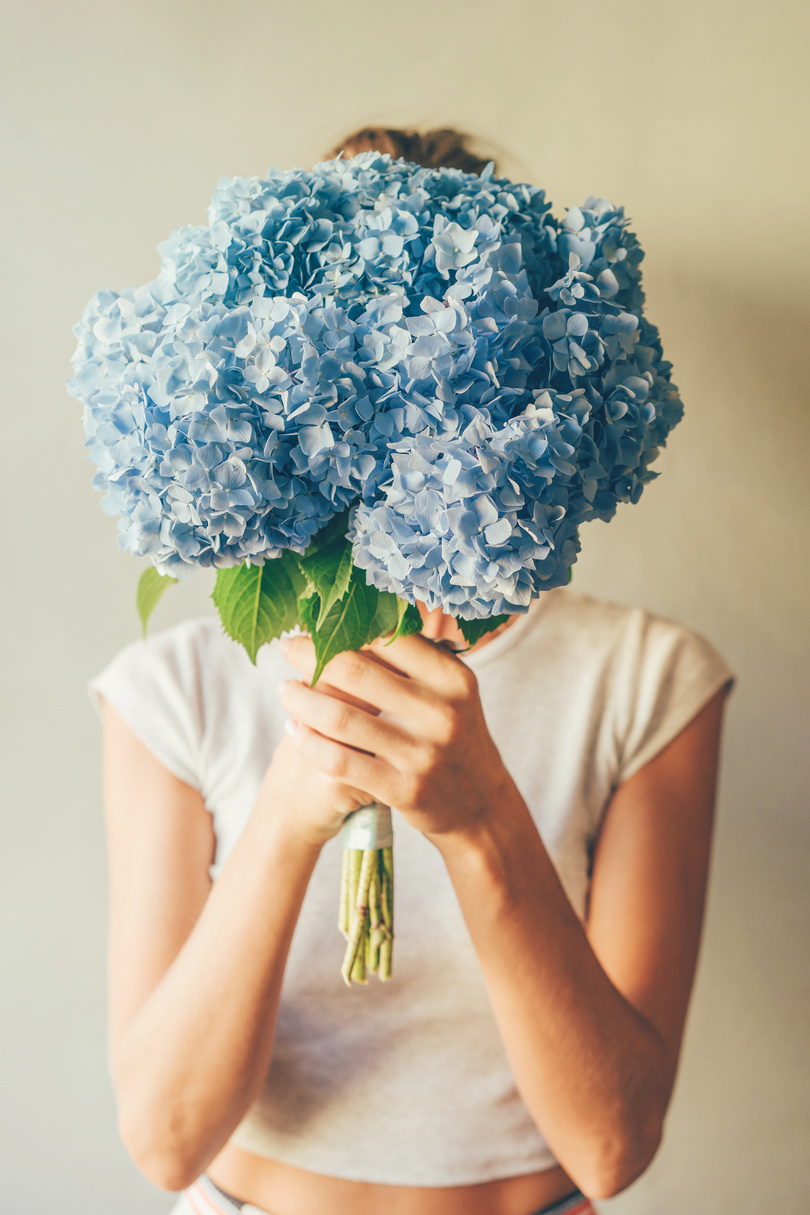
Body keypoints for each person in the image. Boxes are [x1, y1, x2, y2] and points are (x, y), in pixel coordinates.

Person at [91, 129, 735, 1215]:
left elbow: (613, 1146)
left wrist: (481, 813)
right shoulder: (175, 690)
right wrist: (298, 802)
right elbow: (164, 1140)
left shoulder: (646, 682)